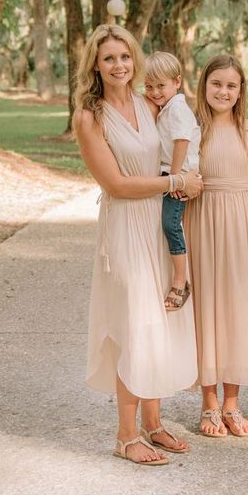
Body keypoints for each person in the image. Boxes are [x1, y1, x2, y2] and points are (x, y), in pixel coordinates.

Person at [73, 24, 203, 466]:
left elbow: (187, 127)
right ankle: (125, 435)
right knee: (135, 323)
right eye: (109, 58)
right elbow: (116, 183)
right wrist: (176, 181)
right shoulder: (89, 117)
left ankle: (154, 422)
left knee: (160, 322)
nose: (119, 65)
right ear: (95, 63)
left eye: (125, 57)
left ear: (136, 60)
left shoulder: (149, 104)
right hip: (125, 226)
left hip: (156, 224)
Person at [184, 55, 248, 437]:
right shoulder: (192, 131)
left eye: (231, 85)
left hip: (244, 226)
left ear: (240, 90)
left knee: (239, 311)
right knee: (208, 309)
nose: (223, 91)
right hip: (202, 223)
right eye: (216, 84)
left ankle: (232, 403)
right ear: (204, 85)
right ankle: (209, 404)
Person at [144, 51, 201, 312]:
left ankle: (180, 280)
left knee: (170, 225)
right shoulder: (166, 106)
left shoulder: (177, 107)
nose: (155, 92)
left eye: (160, 86)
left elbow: (182, 142)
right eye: (149, 86)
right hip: (168, 175)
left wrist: (176, 179)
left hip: (177, 176)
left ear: (177, 82)